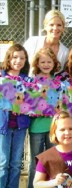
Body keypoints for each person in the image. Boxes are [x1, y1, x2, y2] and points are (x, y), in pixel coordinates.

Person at [27, 47, 60, 188]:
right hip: (36, 128)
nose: (46, 65)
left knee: (53, 162)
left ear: (54, 64)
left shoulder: (59, 83)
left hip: (53, 128)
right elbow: (26, 104)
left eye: (49, 62)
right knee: (36, 162)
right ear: (37, 64)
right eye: (43, 62)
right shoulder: (31, 82)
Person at [33, 110, 72, 187]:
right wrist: (54, 182)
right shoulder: (45, 157)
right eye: (62, 129)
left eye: (71, 129)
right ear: (54, 132)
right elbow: (36, 184)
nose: (67, 133)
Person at [0, 44, 31, 188]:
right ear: (8, 58)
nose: (18, 61)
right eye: (15, 57)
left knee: (16, 163)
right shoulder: (1, 77)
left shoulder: (28, 81)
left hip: (20, 126)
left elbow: (34, 102)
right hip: (3, 126)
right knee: (3, 162)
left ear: (26, 61)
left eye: (22, 58)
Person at [23, 9, 69, 76]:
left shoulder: (65, 52)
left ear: (63, 28)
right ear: (45, 26)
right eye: (51, 24)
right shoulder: (32, 42)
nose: (55, 28)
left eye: (59, 25)